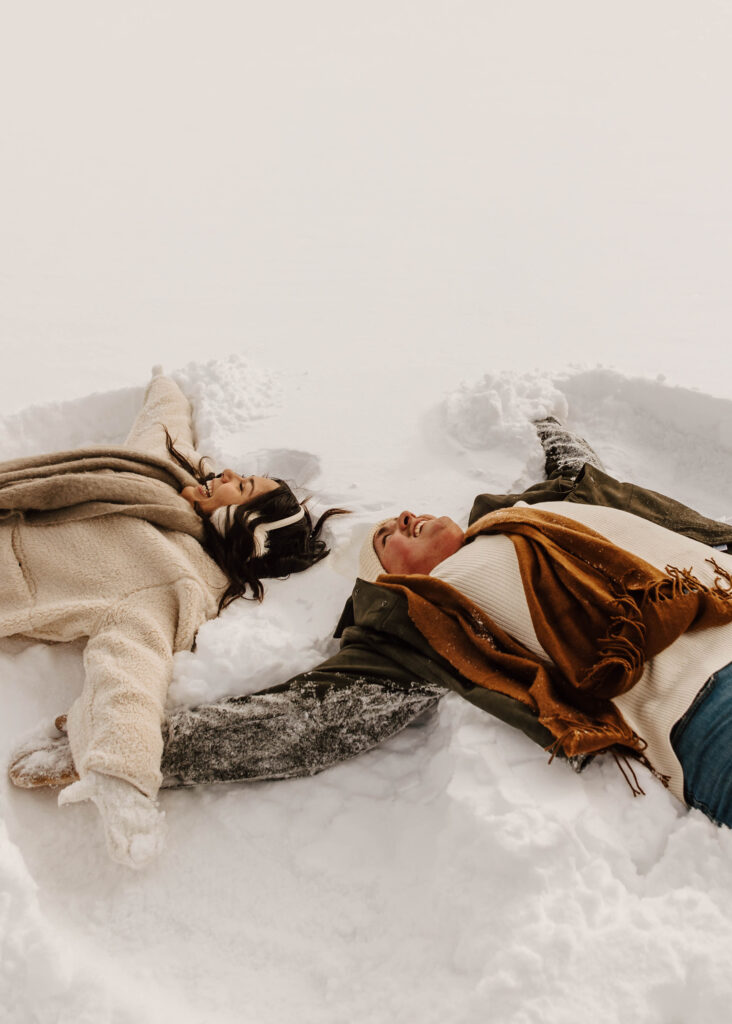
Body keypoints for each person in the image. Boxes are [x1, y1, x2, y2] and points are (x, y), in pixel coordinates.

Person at [11, 419, 732, 844]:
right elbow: (308, 723)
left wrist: (556, 436)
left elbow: (586, 475)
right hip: (704, 707)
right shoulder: (431, 613)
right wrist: (122, 743)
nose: (401, 520)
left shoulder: (546, 509)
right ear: (392, 583)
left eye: (402, 519)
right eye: (387, 539)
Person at [2, 369, 345, 867]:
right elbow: (165, 423)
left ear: (245, 531)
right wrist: (167, 385)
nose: (224, 475)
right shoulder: (162, 476)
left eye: (240, 485)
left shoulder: (174, 577)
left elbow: (130, 668)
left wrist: (122, 779)